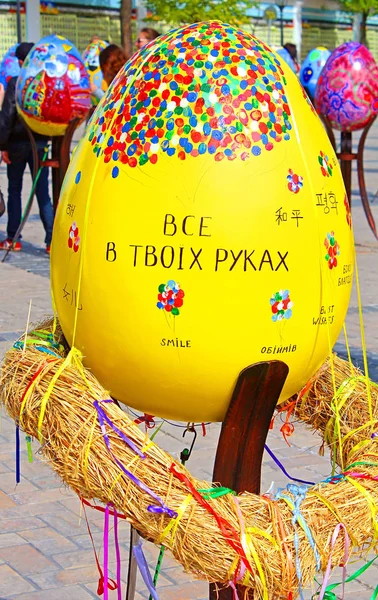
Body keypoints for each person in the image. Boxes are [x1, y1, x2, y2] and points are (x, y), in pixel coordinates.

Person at [0, 42, 54, 254]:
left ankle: (13, 238)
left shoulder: (16, 83)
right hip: (40, 144)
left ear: (20, 62)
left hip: (16, 144)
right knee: (42, 192)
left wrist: (3, 145)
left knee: (15, 190)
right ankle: (51, 240)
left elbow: (6, 118)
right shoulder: (46, 83)